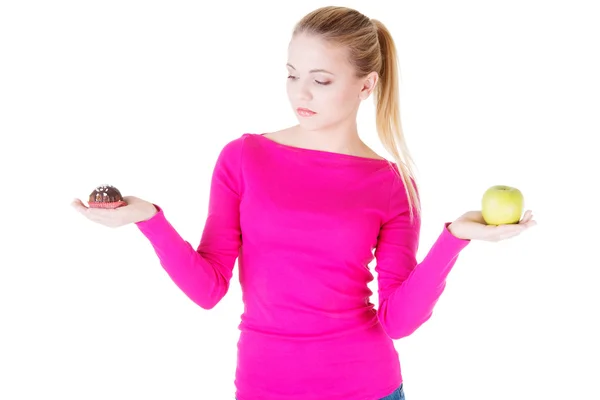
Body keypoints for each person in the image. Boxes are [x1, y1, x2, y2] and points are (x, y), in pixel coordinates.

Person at [71, 6, 536, 400]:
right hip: (262, 384)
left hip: (367, 386)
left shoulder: (392, 183)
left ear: (366, 85)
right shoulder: (243, 158)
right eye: (292, 75)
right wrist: (149, 220)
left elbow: (399, 321)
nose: (301, 93)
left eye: (321, 79)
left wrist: (455, 238)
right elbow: (208, 288)